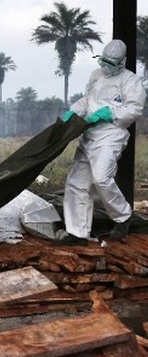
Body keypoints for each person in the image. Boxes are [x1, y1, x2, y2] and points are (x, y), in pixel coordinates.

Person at [54, 39, 147, 246]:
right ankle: (77, 232)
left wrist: (109, 112)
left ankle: (122, 216)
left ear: (122, 62)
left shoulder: (132, 81)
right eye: (103, 61)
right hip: (88, 135)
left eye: (111, 63)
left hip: (110, 135)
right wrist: (73, 112)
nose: (105, 67)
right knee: (76, 182)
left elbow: (134, 110)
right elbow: (87, 100)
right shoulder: (96, 75)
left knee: (101, 178)